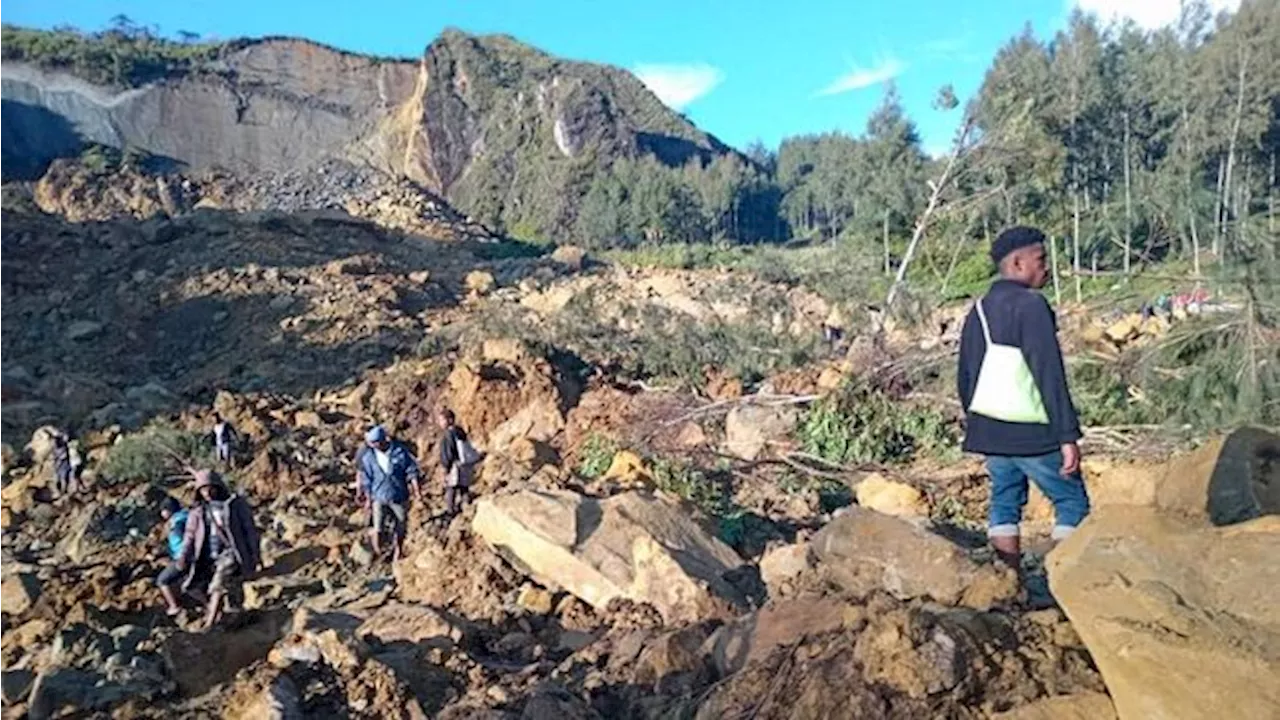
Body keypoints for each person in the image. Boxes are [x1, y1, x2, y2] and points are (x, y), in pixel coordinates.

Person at [956, 226, 1090, 572]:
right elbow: (1048, 373)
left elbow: (966, 375)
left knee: (1004, 502)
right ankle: (1060, 582)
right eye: (1040, 259)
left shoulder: (979, 309)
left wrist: (978, 422)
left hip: (991, 430)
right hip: (1033, 432)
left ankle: (1007, 581)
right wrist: (1067, 436)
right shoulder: (1032, 306)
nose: (1046, 267)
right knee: (1071, 501)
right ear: (1017, 263)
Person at [177, 470, 261, 629]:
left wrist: (255, 555)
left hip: (231, 552)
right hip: (208, 556)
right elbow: (189, 536)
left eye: (210, 488)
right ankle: (228, 615)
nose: (207, 492)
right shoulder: (198, 511)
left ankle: (210, 622)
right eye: (203, 489)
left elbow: (249, 530)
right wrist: (183, 556)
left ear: (218, 487)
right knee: (194, 587)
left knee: (218, 584)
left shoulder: (234, 505)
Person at [355, 425, 422, 562]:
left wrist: (417, 491)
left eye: (375, 443)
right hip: (378, 496)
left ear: (382, 440)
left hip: (398, 496)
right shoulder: (369, 457)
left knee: (401, 524)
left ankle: (399, 550)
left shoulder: (399, 452)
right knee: (378, 527)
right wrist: (367, 498)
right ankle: (378, 552)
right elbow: (366, 478)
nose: (373, 445)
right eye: (371, 443)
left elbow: (411, 471)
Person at [437, 409, 479, 516]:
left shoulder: (448, 434)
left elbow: (448, 452)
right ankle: (467, 507)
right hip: (464, 464)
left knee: (451, 489)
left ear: (450, 420)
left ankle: (451, 511)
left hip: (454, 466)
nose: (440, 423)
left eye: (442, 420)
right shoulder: (459, 431)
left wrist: (446, 467)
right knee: (464, 487)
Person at [156, 496, 193, 617]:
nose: (162, 513)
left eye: (163, 510)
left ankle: (174, 606)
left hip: (183, 557)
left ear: (168, 510)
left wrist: (182, 556)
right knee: (191, 585)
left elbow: (184, 540)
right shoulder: (187, 517)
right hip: (194, 556)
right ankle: (207, 605)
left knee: (162, 580)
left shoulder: (177, 523)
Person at [50, 430, 75, 498]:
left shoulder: (60, 448)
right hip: (61, 465)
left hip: (63, 465)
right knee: (60, 479)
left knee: (63, 478)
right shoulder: (58, 448)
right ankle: (61, 491)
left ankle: (63, 492)